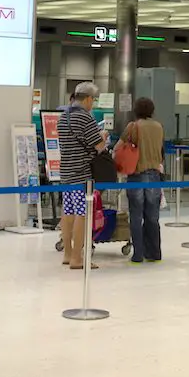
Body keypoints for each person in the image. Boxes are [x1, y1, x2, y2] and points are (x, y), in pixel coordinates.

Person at [58, 82, 108, 269]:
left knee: (68, 211)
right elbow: (99, 147)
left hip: (66, 172)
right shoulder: (86, 119)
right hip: (82, 173)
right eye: (92, 100)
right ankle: (78, 258)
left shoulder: (63, 117)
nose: (92, 104)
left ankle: (67, 254)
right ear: (87, 99)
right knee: (82, 214)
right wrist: (103, 137)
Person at [122, 97, 165, 264]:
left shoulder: (133, 126)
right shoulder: (159, 127)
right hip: (154, 175)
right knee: (152, 217)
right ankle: (154, 253)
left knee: (136, 215)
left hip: (136, 175)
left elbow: (120, 146)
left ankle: (138, 254)